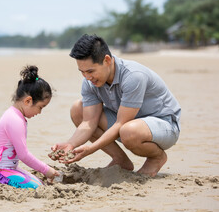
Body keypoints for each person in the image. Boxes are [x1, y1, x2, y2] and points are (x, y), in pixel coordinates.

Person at [50, 34, 181, 177]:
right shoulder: (90, 82)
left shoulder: (133, 76)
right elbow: (88, 122)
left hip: (164, 125)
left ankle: (156, 157)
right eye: (82, 72)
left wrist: (90, 149)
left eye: (90, 71)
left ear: (107, 60)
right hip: (128, 123)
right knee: (78, 109)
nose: (87, 77)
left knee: (128, 131)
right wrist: (71, 145)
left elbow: (121, 123)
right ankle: (120, 160)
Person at [0, 65, 59, 190]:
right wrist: (46, 169)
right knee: (37, 187)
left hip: (9, 168)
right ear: (28, 101)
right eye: (40, 107)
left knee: (39, 183)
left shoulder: (16, 116)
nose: (40, 112)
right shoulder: (14, 120)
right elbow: (23, 155)